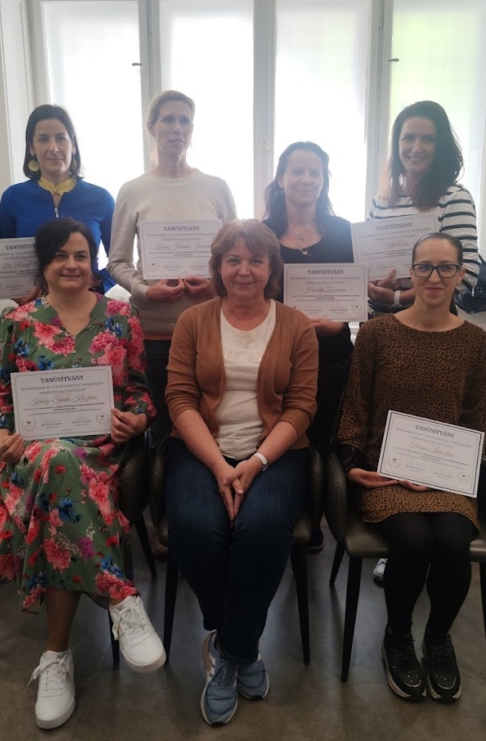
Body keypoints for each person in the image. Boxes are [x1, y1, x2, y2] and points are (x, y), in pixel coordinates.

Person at [0, 219, 166, 730]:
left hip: (101, 456)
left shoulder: (121, 316)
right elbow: (0, 398)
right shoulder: (18, 321)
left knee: (63, 476)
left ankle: (56, 656)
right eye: (60, 256)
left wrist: (137, 419)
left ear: (92, 262)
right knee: (55, 459)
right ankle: (119, 596)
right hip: (31, 459)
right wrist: (0, 437)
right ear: (44, 263)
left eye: (80, 255)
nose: (71, 264)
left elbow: (139, 390)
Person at [163, 219, 318, 726]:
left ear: (272, 267)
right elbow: (179, 399)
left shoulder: (297, 325)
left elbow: (301, 408)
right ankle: (241, 643)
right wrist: (218, 465)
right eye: (233, 259)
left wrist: (254, 463)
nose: (244, 269)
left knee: (263, 528)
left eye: (255, 259)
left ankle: (229, 649)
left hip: (273, 452)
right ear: (218, 267)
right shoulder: (193, 321)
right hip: (200, 449)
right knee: (194, 527)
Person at [337, 232, 486, 703]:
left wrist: (454, 470)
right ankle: (398, 636)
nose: (434, 277)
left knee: (452, 541)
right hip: (385, 473)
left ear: (460, 275)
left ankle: (438, 638)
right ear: (411, 272)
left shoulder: (475, 341)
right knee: (413, 539)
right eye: (424, 266)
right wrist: (352, 465)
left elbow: (475, 419)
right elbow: (355, 407)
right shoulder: (377, 333)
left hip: (446, 477)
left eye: (445, 267)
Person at [367, 100, 481, 584]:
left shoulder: (455, 197)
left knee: (432, 424)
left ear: (441, 146)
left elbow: (465, 273)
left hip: (436, 333)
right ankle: (399, 532)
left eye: (427, 138)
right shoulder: (382, 201)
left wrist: (402, 294)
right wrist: (375, 290)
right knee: (386, 420)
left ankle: (431, 524)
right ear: (396, 144)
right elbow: (373, 267)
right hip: (384, 328)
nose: (416, 147)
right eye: (407, 138)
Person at [107, 90, 237, 453]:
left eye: (185, 120)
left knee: (213, 420)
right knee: (163, 428)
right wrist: (146, 291)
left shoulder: (216, 188)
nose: (177, 128)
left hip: (210, 328)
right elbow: (117, 262)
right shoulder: (133, 191)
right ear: (151, 127)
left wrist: (213, 285)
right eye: (168, 119)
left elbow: (236, 256)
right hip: (155, 332)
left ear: (192, 129)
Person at [263, 141, 354, 551]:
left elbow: (358, 292)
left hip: (332, 355)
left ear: (324, 180)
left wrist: (341, 322)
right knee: (281, 434)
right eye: (297, 171)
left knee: (320, 439)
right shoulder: (263, 233)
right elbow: (252, 293)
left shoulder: (344, 232)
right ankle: (279, 511)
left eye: (314, 172)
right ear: (281, 179)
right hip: (278, 356)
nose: (305, 179)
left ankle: (312, 519)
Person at [0, 104, 116, 293]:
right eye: (43, 139)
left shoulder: (101, 199)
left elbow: (120, 263)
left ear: (73, 146)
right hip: (33, 305)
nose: (53, 148)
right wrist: (18, 294)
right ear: (31, 148)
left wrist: (97, 280)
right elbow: (2, 264)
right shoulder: (13, 198)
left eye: (61, 138)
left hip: (88, 302)